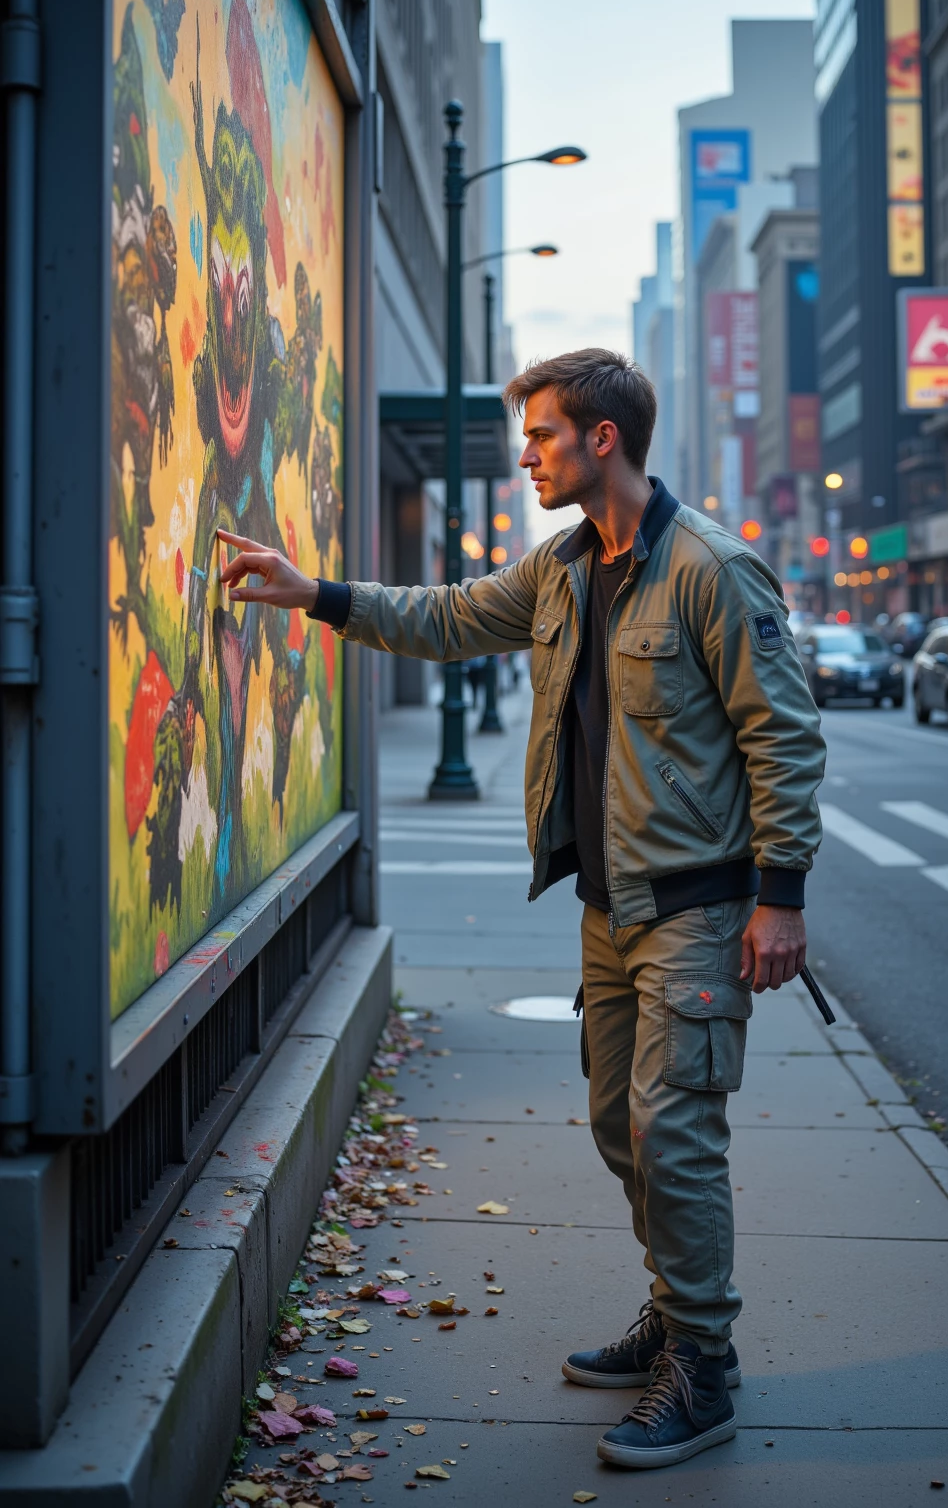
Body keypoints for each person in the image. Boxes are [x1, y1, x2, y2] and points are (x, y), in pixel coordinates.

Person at [218, 348, 826, 1472]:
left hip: (697, 908)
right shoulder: (560, 570)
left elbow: (781, 738)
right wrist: (317, 595)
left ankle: (705, 1366)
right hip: (608, 908)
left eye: (542, 434)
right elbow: (447, 615)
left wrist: (777, 901)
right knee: (618, 1127)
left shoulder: (711, 570)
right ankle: (672, 1311)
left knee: (670, 1131)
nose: (527, 455)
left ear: (604, 439)